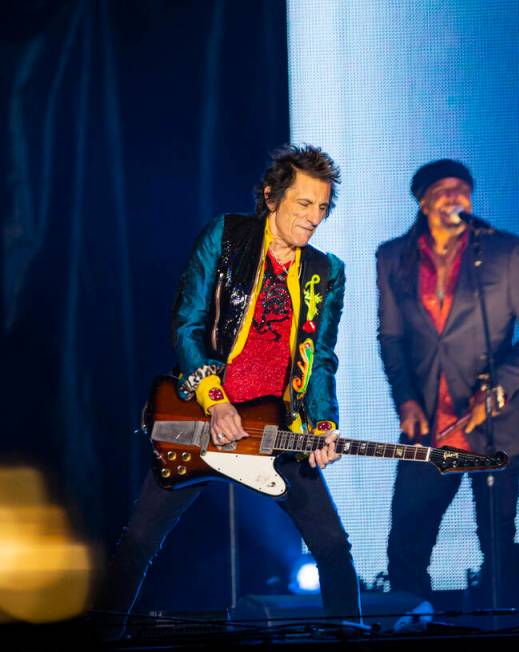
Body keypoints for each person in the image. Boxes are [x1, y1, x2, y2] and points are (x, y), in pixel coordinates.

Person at [98, 145, 360, 626]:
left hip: (275, 428)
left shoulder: (327, 272)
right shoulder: (226, 237)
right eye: (304, 204)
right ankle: (101, 639)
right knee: (138, 541)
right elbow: (188, 324)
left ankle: (348, 637)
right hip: (202, 420)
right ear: (271, 196)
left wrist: (324, 424)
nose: (314, 218)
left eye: (322, 207)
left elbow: (320, 359)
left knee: (333, 547)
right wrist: (215, 400)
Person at [376, 159, 519, 608]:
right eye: (445, 189)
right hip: (430, 428)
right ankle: (411, 628)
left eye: (464, 189)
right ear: (423, 200)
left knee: (497, 544)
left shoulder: (504, 252)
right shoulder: (392, 257)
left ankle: (505, 627)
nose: (457, 197)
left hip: (493, 423)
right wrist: (406, 402)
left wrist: (500, 387)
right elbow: (392, 337)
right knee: (407, 543)